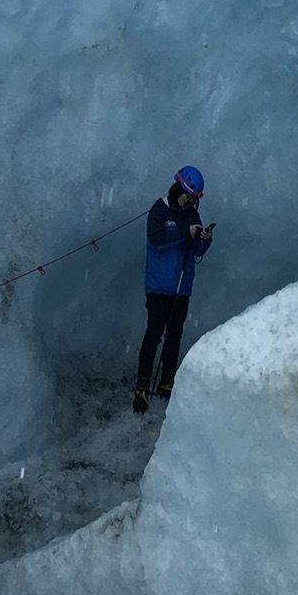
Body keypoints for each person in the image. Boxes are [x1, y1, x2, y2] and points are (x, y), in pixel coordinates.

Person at [133, 165, 214, 413]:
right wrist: (183, 233)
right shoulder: (159, 211)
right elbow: (157, 241)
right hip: (160, 286)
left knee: (174, 334)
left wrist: (204, 241)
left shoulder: (192, 217)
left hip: (182, 288)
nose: (189, 203)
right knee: (154, 333)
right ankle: (143, 385)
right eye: (187, 197)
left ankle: (167, 381)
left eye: (193, 200)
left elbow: (196, 251)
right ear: (178, 188)